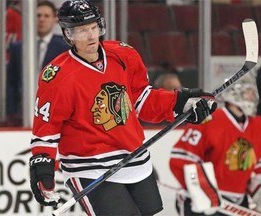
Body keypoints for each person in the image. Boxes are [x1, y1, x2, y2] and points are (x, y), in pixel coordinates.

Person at [28, 0, 217, 215]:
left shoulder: (123, 54)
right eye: (82, 31)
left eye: (93, 28)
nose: (91, 36)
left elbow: (142, 101)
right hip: (90, 167)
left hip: (135, 158)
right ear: (68, 34)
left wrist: (179, 104)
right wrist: (42, 169)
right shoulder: (57, 76)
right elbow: (46, 130)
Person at [169, 77, 261, 216]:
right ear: (234, 94)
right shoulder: (209, 119)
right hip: (201, 201)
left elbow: (257, 165)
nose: (252, 97)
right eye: (247, 92)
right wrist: (204, 192)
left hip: (237, 203)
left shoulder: (257, 125)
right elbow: (181, 158)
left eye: (253, 93)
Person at [5, 0, 70, 126]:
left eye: (46, 16)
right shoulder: (17, 47)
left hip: (56, 112)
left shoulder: (65, 49)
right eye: (38, 15)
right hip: (23, 113)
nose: (42, 19)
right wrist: (11, 112)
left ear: (54, 19)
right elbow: (11, 83)